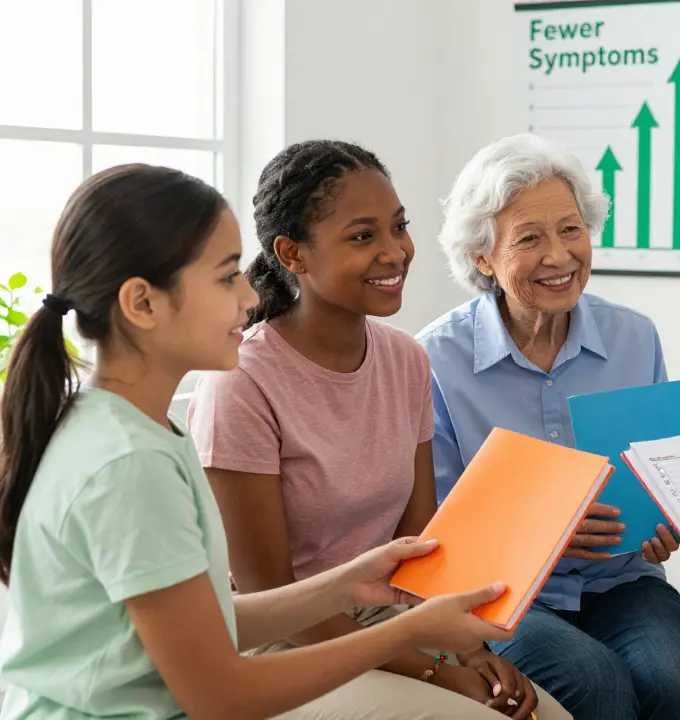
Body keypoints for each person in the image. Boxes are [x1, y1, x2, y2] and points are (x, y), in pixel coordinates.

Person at [0, 164, 513, 719]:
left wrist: (345, 585)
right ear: (142, 304)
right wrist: (407, 635)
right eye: (226, 278)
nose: (249, 298)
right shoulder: (128, 464)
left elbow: (209, 619)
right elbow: (221, 697)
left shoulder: (129, 428)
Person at [186, 140, 566, 720]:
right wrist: (438, 671)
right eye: (363, 237)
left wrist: (470, 650)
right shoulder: (242, 383)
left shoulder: (405, 359)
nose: (395, 252)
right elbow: (270, 596)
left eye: (399, 227)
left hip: (394, 619)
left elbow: (422, 545)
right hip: (286, 643)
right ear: (293, 254)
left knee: (548, 716)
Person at [419, 133, 680, 720]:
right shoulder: (435, 359)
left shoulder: (636, 337)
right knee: (595, 682)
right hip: (502, 594)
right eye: (529, 238)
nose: (559, 256)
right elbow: (434, 527)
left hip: (619, 580)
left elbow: (660, 479)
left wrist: (667, 524)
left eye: (571, 230)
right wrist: (542, 533)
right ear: (483, 256)